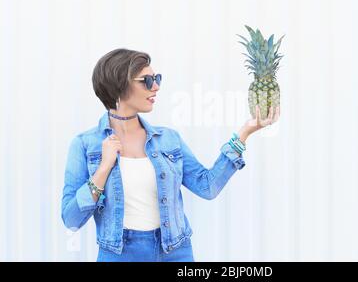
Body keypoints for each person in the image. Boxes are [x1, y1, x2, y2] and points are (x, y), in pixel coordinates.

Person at [61, 48, 280, 261]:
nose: (155, 86)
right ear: (119, 85)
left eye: (157, 78)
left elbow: (207, 186)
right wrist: (103, 168)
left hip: (175, 252)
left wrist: (244, 133)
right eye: (146, 80)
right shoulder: (85, 145)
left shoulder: (168, 139)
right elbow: (71, 219)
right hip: (119, 254)